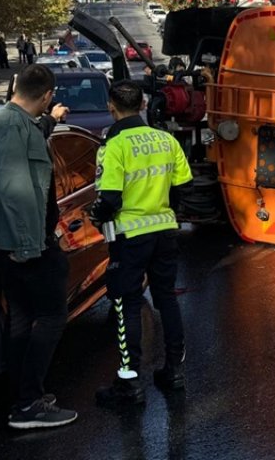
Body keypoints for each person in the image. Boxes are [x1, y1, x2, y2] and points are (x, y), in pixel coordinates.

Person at [0, 65, 76, 429]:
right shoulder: (9, 127)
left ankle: (21, 396)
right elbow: (14, 191)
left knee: (21, 318)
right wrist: (29, 246)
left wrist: (51, 120)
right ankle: (29, 404)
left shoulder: (9, 122)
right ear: (47, 94)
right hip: (24, 243)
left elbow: (30, 140)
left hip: (14, 242)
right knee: (51, 316)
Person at [90, 80, 192, 406]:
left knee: (126, 304)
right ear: (144, 104)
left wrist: (98, 216)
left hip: (129, 237)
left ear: (111, 107)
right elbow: (182, 187)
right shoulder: (166, 140)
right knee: (167, 299)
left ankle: (129, 383)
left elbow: (109, 199)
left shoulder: (114, 146)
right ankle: (174, 370)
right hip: (164, 231)